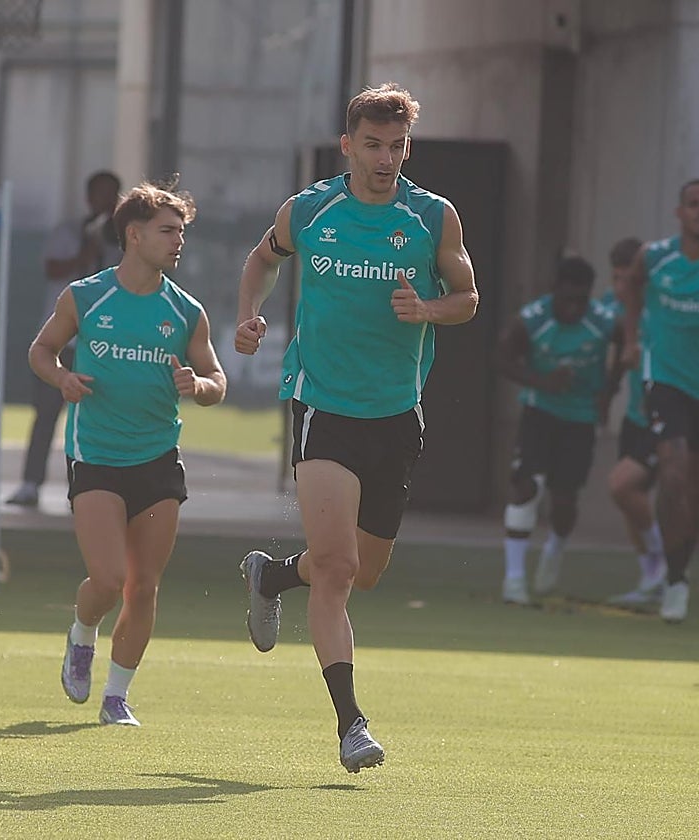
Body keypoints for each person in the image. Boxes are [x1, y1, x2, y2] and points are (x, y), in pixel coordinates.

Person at [232, 83, 478, 773]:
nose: (385, 159)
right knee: (337, 568)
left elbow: (468, 298)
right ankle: (351, 725)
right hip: (322, 406)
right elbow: (261, 259)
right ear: (348, 144)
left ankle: (276, 577)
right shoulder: (311, 209)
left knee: (363, 572)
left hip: (396, 413)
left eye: (397, 146)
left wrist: (428, 309)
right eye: (372, 145)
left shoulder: (433, 216)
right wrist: (249, 315)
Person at [33, 178, 225, 727]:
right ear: (134, 236)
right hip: (95, 454)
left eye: (182, 232)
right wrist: (63, 378)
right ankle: (82, 631)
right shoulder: (86, 296)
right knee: (110, 579)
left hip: (158, 457)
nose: (178, 241)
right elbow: (41, 351)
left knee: (144, 587)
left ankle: (117, 697)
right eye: (168, 231)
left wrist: (201, 387)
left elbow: (215, 377)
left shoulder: (186, 311)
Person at [494, 255, 619, 605]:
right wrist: (541, 381)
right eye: (567, 300)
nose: (574, 308)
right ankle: (514, 578)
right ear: (554, 292)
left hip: (580, 418)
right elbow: (502, 358)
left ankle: (555, 549)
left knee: (564, 501)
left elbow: (626, 347)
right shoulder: (532, 320)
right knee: (525, 485)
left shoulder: (604, 322)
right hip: (540, 411)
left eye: (581, 300)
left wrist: (607, 395)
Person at [6, 171, 123, 508]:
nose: (106, 203)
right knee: (46, 413)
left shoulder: (127, 241)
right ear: (88, 198)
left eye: (112, 196)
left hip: (104, 344)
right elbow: (54, 270)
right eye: (100, 195)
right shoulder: (68, 233)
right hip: (62, 342)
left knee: (104, 419)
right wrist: (89, 246)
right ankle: (30, 483)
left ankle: (102, 487)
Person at [622, 178, 699, 623]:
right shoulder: (655, 257)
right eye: (693, 204)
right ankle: (674, 580)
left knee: (692, 487)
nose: (698, 212)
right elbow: (631, 286)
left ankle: (679, 567)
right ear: (679, 212)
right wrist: (632, 339)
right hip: (666, 380)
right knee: (672, 471)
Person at [599, 237, 667, 606]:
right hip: (635, 416)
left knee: (622, 485)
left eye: (628, 279)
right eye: (616, 278)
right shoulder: (612, 307)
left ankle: (665, 566)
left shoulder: (660, 310)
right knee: (629, 499)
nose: (621, 287)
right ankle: (651, 577)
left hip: (667, 415)